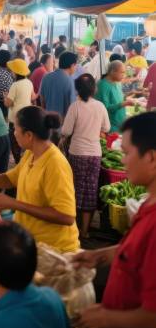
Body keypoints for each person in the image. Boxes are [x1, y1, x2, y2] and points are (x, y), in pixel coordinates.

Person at [77, 113, 156, 328]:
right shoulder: (148, 204)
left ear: (152, 158)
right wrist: (95, 256)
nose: (122, 161)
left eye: (126, 152)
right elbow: (135, 250)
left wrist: (103, 319)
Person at [0, 106, 79, 253]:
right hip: (31, 241)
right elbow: (12, 178)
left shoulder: (56, 165)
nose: (14, 133)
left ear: (29, 135)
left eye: (16, 129)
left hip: (54, 250)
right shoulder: (31, 154)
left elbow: (66, 216)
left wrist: (14, 204)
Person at [60, 73, 110, 239]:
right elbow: (107, 127)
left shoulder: (75, 107)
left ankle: (73, 229)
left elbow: (66, 131)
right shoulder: (100, 106)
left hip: (77, 153)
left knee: (75, 190)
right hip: (95, 154)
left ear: (78, 90)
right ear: (94, 89)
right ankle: (85, 231)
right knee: (90, 191)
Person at [5, 59, 37, 164]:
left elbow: (8, 103)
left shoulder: (15, 85)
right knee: (26, 140)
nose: (11, 73)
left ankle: (18, 162)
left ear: (15, 72)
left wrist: (5, 97)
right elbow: (33, 97)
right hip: (26, 117)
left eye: (12, 71)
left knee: (14, 142)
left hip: (15, 119)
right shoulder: (29, 82)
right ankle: (26, 161)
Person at [96, 60, 135, 133]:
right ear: (112, 72)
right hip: (110, 126)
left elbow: (118, 99)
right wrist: (124, 104)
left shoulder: (117, 83)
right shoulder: (103, 85)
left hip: (120, 123)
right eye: (122, 72)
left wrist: (128, 95)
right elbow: (105, 108)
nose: (124, 75)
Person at [40, 50, 77, 118]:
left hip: (47, 121)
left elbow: (42, 100)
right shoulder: (70, 81)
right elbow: (72, 106)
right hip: (62, 124)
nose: (76, 68)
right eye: (75, 65)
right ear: (72, 65)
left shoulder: (46, 77)